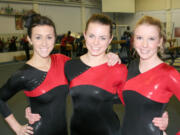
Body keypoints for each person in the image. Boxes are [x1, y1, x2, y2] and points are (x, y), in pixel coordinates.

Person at [0, 11, 70, 135]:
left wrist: (110, 57)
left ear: (55, 38)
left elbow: (88, 68)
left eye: (49, 37)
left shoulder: (62, 60)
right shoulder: (23, 74)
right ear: (29, 39)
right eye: (38, 37)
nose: (44, 43)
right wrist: (17, 127)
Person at [64, 13, 127, 135]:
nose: (96, 43)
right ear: (84, 35)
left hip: (108, 131)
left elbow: (133, 102)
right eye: (92, 36)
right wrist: (32, 108)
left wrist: (158, 116)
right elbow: (53, 94)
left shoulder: (118, 69)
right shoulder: (70, 66)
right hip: (76, 130)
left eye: (102, 38)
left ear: (110, 39)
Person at [121, 16, 180, 135]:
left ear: (160, 41)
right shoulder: (132, 66)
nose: (144, 45)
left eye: (151, 38)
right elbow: (129, 99)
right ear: (134, 40)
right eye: (139, 38)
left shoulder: (169, 73)